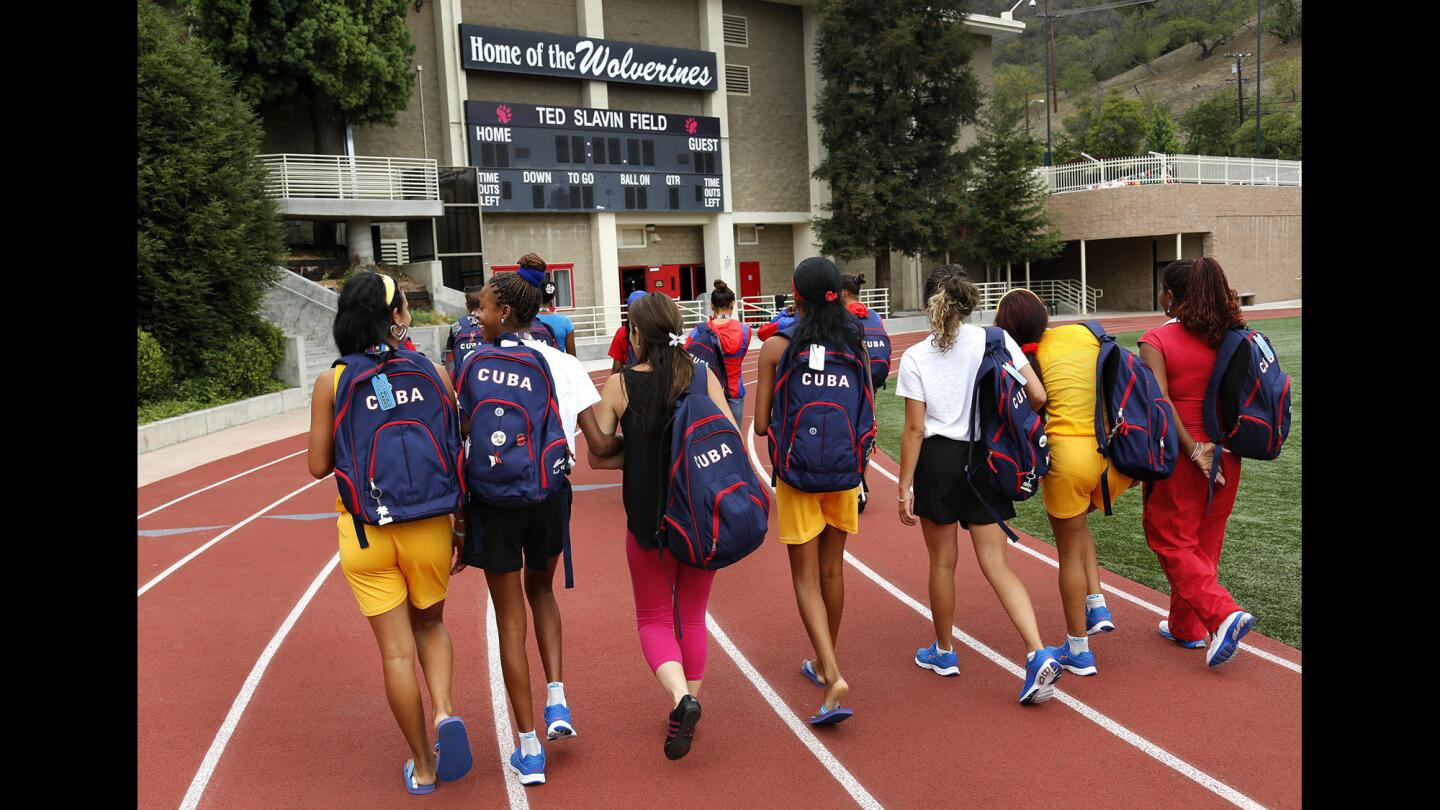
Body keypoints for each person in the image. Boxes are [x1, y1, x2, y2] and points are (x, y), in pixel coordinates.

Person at [306, 271, 473, 796]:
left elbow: (317, 466)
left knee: (396, 653)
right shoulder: (431, 371)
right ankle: (445, 712)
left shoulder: (332, 381)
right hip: (427, 523)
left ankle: (423, 765)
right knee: (431, 625)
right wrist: (460, 525)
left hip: (365, 532)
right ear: (398, 316)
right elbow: (453, 446)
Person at [452, 270, 622, 785]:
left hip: (494, 502)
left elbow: (461, 433)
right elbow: (598, 443)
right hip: (549, 495)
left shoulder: (473, 362)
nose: (475, 316)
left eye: (482, 307)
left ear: (505, 312)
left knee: (509, 620)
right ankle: (558, 700)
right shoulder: (564, 363)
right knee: (542, 592)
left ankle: (528, 750)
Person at [894, 266, 1066, 705]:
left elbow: (914, 430)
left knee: (942, 562)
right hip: (987, 457)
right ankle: (1036, 650)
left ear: (929, 303)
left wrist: (903, 487)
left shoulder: (916, 356)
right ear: (969, 301)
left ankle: (945, 652)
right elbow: (1039, 397)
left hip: (938, 462)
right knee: (996, 563)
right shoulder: (996, 340)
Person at [590, 292, 735, 760]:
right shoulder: (701, 373)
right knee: (692, 617)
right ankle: (686, 705)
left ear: (635, 333)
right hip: (698, 517)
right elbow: (728, 436)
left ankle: (681, 700)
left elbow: (599, 451)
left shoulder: (621, 384)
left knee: (653, 618)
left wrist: (641, 450)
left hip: (648, 518)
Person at [754, 257, 872, 725]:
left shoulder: (777, 348)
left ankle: (832, 674)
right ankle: (825, 660)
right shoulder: (856, 345)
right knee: (832, 572)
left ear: (795, 295)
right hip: (845, 473)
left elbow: (761, 425)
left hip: (798, 474)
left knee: (805, 579)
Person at [993, 287, 1129, 678]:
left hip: (1065, 460)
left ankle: (1079, 650)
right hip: (1110, 455)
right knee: (1080, 527)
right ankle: (1097, 601)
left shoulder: (1019, 360)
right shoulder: (1082, 333)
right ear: (1044, 317)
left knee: (1067, 550)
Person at [1137, 257, 1256, 666]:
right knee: (1205, 539)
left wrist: (1192, 449)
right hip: (1229, 450)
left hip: (1183, 453)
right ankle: (1187, 627)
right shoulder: (1234, 334)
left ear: (1170, 296)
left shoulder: (1155, 339)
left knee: (1169, 536)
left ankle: (1222, 614)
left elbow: (1160, 401)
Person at [688, 279, 751, 427]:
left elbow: (688, 353)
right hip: (734, 391)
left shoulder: (701, 330)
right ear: (732, 305)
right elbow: (740, 357)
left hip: (709, 392)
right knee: (736, 440)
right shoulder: (745, 330)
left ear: (711, 306)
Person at [528, 254, 578, 356]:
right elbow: (572, 357)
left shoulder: (526, 320)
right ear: (553, 296)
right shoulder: (565, 322)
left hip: (536, 368)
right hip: (557, 369)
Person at [445, 285, 485, 372]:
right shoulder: (492, 324)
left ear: (467, 305)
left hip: (463, 381)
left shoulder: (456, 326)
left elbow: (449, 358)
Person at [608, 289, 647, 372]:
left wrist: (614, 383)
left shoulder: (622, 332)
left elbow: (616, 368)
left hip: (631, 381)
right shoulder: (659, 330)